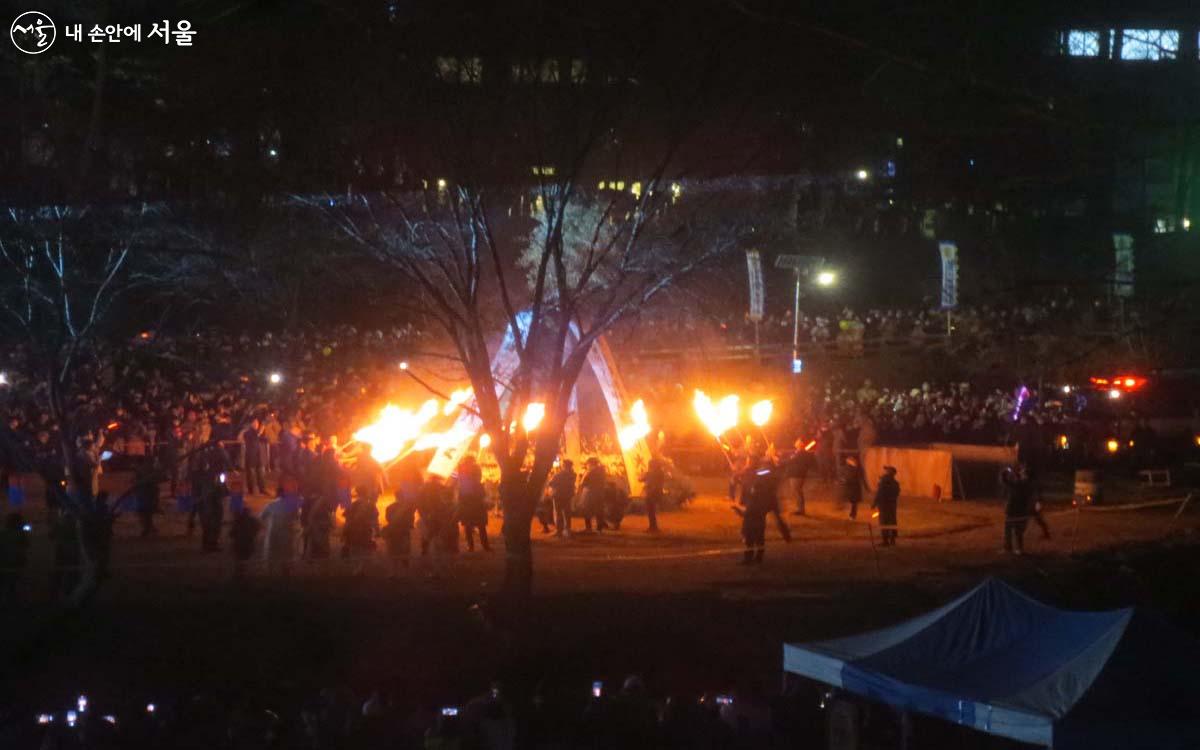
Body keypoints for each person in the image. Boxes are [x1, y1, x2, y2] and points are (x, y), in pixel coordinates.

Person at [733, 458, 779, 565]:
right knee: (757, 537)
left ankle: (751, 558)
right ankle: (757, 557)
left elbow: (757, 474)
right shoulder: (761, 477)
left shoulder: (762, 475)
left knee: (751, 537)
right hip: (756, 513)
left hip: (754, 515)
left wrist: (739, 511)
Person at [455, 455, 490, 552]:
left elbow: (476, 479)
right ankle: (481, 546)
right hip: (472, 500)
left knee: (471, 525)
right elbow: (477, 479)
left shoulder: (465, 469)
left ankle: (474, 546)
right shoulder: (464, 469)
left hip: (470, 500)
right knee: (475, 525)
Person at [1001, 464, 1033, 554]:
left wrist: (1006, 473)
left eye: (1022, 472)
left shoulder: (1024, 484)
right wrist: (1007, 474)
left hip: (1018, 510)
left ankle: (1018, 549)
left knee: (1017, 532)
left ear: (1026, 475)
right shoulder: (1021, 483)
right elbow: (1008, 482)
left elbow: (1008, 482)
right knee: (1009, 530)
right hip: (1013, 510)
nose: (1020, 472)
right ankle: (1009, 548)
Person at [383, 486, 416, 576]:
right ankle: (405, 572)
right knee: (405, 551)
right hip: (404, 532)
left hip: (393, 532)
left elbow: (388, 519)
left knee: (393, 552)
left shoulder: (389, 507)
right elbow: (411, 521)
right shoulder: (408, 508)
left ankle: (393, 573)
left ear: (395, 496)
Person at [0, 512, 31, 603]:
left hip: (6, 562)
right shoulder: (20, 534)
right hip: (15, 561)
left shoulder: (3, 534)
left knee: (8, 583)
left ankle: (9, 600)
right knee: (13, 583)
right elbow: (26, 545)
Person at [872, 466, 900, 546]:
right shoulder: (895, 483)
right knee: (892, 521)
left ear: (889, 472)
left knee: (884, 522)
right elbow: (896, 494)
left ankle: (885, 541)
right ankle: (892, 539)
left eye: (886, 470)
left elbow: (879, 493)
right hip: (892, 505)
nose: (884, 472)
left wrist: (874, 503)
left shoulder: (883, 481)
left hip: (884, 505)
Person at [230, 506, 261, 578]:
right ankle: (243, 571)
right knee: (245, 558)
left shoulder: (238, 521)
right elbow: (258, 527)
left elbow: (231, 534)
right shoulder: (253, 521)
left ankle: (239, 572)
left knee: (239, 558)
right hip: (249, 543)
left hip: (238, 545)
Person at [548, 459, 576, 537]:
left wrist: (552, 475)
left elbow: (551, 483)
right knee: (567, 513)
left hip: (558, 495)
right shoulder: (573, 474)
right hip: (568, 495)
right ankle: (567, 529)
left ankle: (559, 530)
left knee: (558, 513)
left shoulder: (559, 475)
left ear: (564, 466)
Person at [579, 457, 608, 532]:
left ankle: (588, 528)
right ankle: (599, 528)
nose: (587, 465)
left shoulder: (590, 472)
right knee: (599, 510)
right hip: (599, 492)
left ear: (591, 463)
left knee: (587, 510)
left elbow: (583, 483)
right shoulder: (602, 471)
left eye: (587, 464)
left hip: (589, 493)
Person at [784, 439, 811, 516]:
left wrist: (778, 461)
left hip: (797, 475)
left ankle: (800, 509)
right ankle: (800, 508)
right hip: (797, 475)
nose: (795, 443)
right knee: (797, 491)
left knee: (797, 492)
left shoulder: (800, 453)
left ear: (800, 445)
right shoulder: (799, 453)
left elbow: (791, 461)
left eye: (797, 442)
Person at [241, 418, 267, 496]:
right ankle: (251, 490)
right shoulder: (247, 433)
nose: (256, 424)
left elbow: (265, 440)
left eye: (257, 423)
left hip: (259, 456)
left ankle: (262, 489)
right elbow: (254, 437)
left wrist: (262, 434)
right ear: (251, 424)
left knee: (261, 474)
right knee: (251, 474)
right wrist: (260, 431)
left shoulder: (259, 433)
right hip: (251, 456)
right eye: (254, 423)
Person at [640, 457, 665, 533]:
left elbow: (641, 479)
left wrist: (643, 474)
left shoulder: (653, 473)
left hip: (652, 493)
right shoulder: (660, 472)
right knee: (651, 510)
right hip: (655, 492)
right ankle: (653, 526)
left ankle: (653, 527)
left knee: (651, 510)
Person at [838, 455, 867, 520]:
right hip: (850, 488)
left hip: (853, 488)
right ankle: (850, 514)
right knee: (851, 502)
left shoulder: (857, 469)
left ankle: (852, 515)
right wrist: (843, 480)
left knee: (853, 502)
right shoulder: (846, 468)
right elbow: (842, 476)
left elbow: (861, 478)